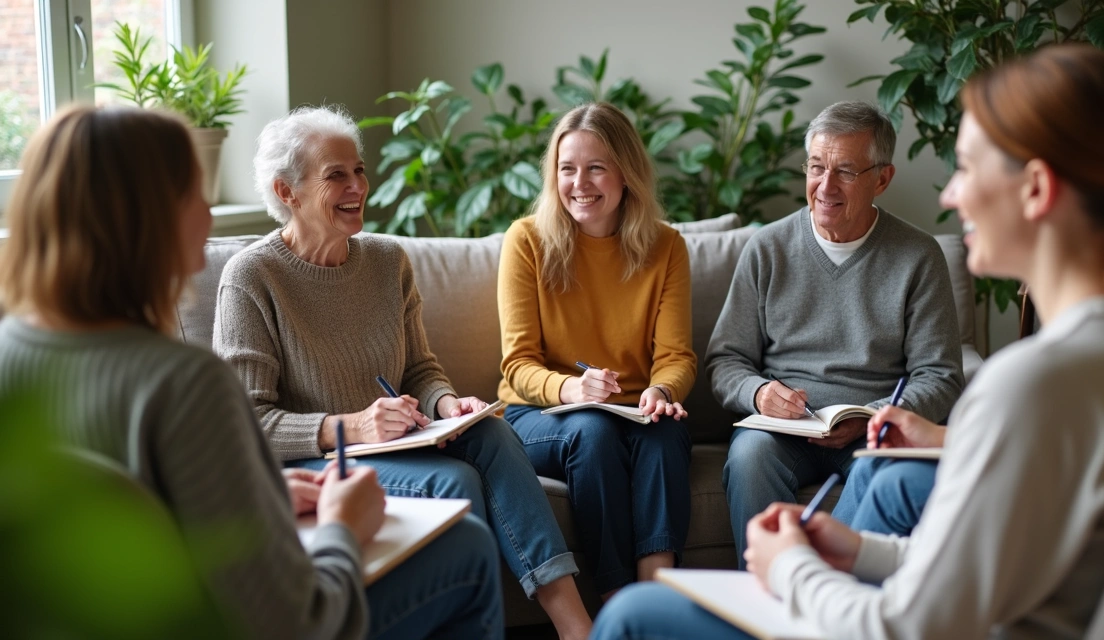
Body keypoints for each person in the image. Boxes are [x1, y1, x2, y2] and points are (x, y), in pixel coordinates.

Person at [590, 44, 1104, 639]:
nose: (949, 195)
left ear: (1036, 189)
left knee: (633, 616)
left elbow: (908, 625)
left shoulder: (1032, 384)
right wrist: (859, 549)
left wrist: (788, 567)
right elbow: (996, 561)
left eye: (966, 168)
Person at [0, 104, 504, 639]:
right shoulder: (186, 384)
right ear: (149, 219)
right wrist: (342, 530)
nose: (210, 215)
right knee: (467, 549)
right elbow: (294, 624)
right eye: (195, 195)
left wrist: (257, 494)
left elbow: (120, 521)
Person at [212, 105, 591, 639]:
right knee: (455, 478)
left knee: (491, 430)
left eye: (359, 169)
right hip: (318, 464)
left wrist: (444, 404)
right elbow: (246, 425)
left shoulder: (388, 262)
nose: (357, 185)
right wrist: (352, 426)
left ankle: (577, 629)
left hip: (397, 443)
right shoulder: (251, 278)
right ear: (286, 192)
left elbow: (420, 368)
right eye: (336, 174)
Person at [707, 100, 964, 565]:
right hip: (781, 430)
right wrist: (761, 393)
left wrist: (874, 415)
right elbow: (725, 362)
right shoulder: (767, 248)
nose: (825, 186)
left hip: (873, 429)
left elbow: (940, 374)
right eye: (816, 167)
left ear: (881, 179)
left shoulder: (919, 256)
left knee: (886, 466)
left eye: (845, 171)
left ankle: (823, 597)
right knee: (748, 459)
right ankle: (765, 602)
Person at [497, 102, 696, 597]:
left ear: (625, 173)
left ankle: (655, 595)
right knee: (593, 429)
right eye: (567, 169)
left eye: (596, 168)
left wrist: (660, 388)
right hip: (541, 414)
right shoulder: (526, 241)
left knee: (666, 429)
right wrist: (571, 389)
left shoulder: (666, 246)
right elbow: (517, 364)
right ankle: (612, 598)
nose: (579, 183)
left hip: (631, 412)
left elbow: (676, 355)